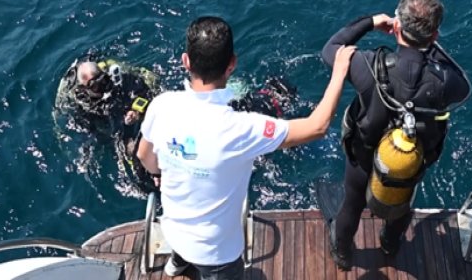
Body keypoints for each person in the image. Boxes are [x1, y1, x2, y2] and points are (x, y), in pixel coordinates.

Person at [136, 16, 355, 279]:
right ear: (232, 64)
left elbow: (144, 155)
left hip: (173, 230)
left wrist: (159, 173)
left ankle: (177, 264)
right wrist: (340, 70)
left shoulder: (162, 105)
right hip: (217, 255)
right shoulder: (241, 128)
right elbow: (316, 126)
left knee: (183, 245)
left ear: (186, 61)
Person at [321, 0, 471, 270]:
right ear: (434, 35)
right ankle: (390, 243)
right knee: (402, 204)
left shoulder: (368, 65)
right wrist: (432, 48)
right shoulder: (445, 81)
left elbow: (330, 50)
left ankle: (342, 254)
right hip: (412, 159)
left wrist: (370, 23)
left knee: (352, 204)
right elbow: (464, 87)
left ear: (397, 25)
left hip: (364, 156)